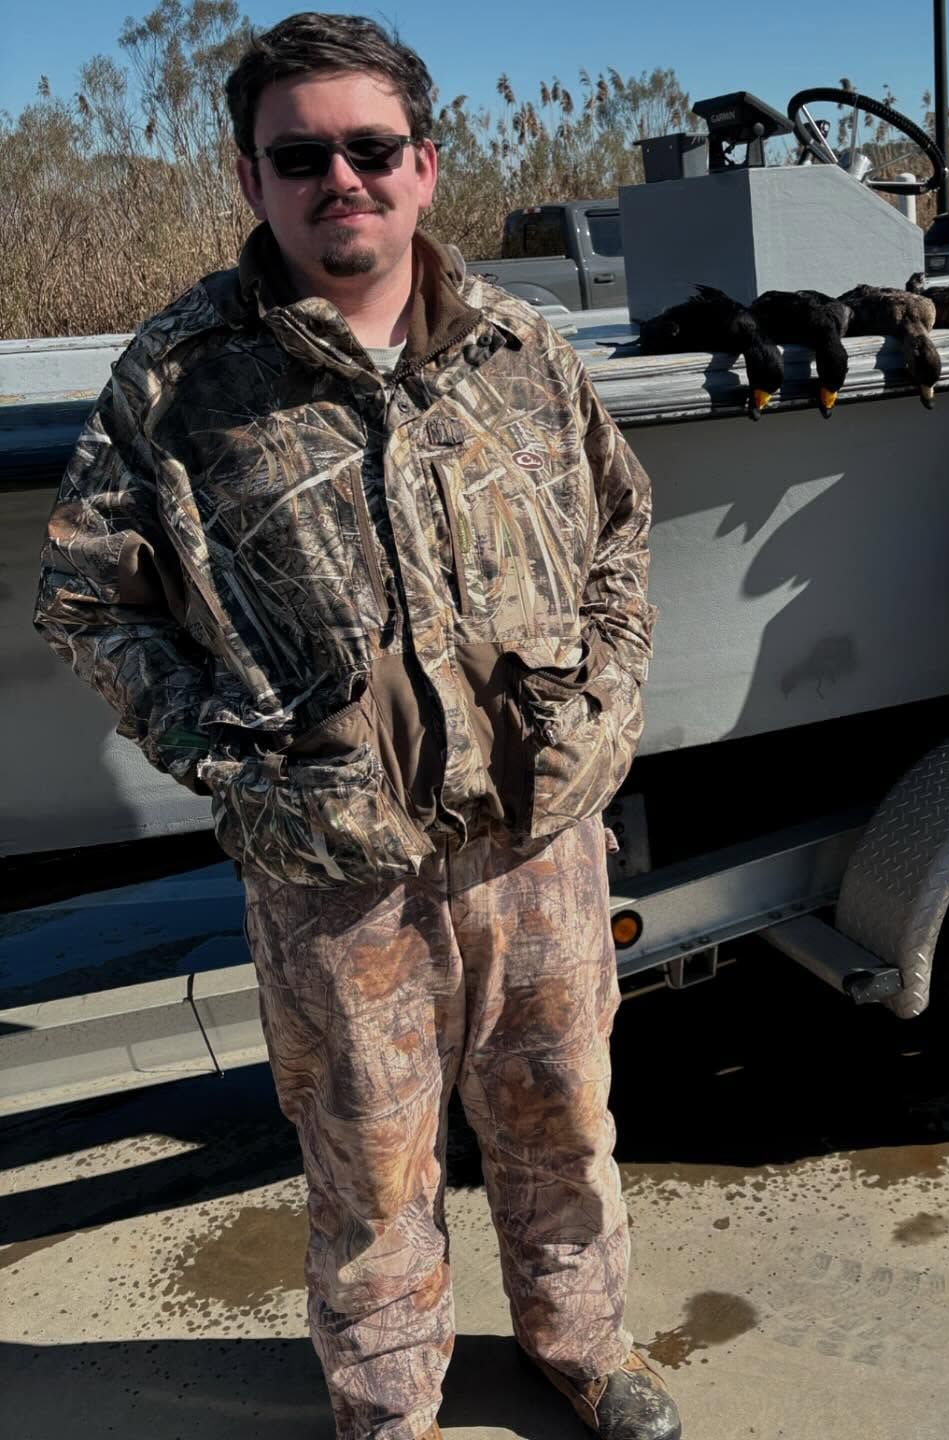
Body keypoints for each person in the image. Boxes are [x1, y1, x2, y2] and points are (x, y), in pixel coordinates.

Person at [34, 13, 679, 1440]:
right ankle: (391, 1405)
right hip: (335, 876)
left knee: (564, 1123)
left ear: (425, 165)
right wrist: (235, 766)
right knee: (369, 1164)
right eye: (301, 153)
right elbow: (88, 601)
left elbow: (625, 531)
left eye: (370, 148)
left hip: (538, 848)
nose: (342, 178)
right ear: (254, 179)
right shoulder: (177, 376)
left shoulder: (524, 347)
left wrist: (607, 711)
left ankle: (583, 1344)